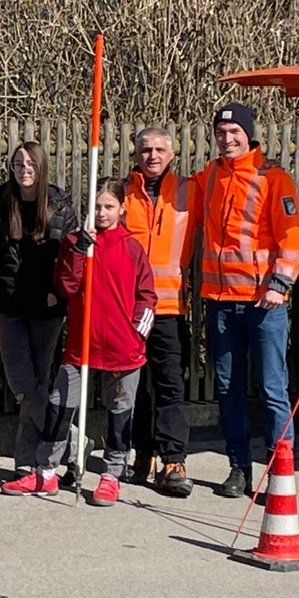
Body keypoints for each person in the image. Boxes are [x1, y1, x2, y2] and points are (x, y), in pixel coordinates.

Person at [2, 177, 155, 504]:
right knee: (59, 405)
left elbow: (147, 295)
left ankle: (112, 473)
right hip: (81, 346)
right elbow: (66, 286)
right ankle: (45, 471)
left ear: (122, 209)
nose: (102, 213)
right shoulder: (75, 241)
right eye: (97, 207)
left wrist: (137, 332)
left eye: (109, 206)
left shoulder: (132, 246)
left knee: (120, 412)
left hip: (123, 348)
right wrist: (79, 250)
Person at [195, 103, 299, 498]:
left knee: (273, 390)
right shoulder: (211, 174)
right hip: (221, 303)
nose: (227, 138)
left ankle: (280, 472)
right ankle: (239, 467)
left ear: (248, 134)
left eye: (234, 132)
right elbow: (176, 197)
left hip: (264, 304)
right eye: (220, 132)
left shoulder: (272, 178)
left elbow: (293, 235)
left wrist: (280, 283)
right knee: (229, 390)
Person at [0, 141, 79, 485]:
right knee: (23, 384)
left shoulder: (60, 207)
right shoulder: (1, 203)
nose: (24, 170)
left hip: (46, 306)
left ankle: (27, 463)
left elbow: (70, 259)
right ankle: (73, 445)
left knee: (39, 384)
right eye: (17, 164)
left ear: (41, 167)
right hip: (10, 304)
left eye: (30, 164)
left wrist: (58, 293)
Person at [124, 127, 199, 497]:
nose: (152, 156)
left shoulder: (190, 190)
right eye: (145, 150)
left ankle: (173, 460)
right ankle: (143, 453)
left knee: (170, 385)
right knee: (134, 386)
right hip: (131, 307)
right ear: (135, 154)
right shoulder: (122, 193)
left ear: (172, 154)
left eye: (159, 149)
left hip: (170, 307)